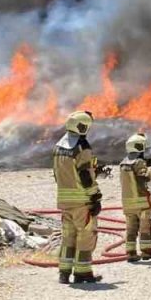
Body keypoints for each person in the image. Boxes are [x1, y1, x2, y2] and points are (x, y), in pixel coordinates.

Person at [52, 110, 104, 284]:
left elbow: (58, 173)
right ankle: (83, 272)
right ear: (83, 126)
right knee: (85, 234)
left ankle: (64, 272)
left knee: (68, 235)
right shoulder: (81, 147)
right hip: (81, 200)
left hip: (64, 199)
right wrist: (95, 197)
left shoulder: (59, 146)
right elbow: (84, 175)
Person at [119, 132, 151, 262]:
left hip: (128, 203)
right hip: (141, 202)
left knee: (131, 229)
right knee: (145, 228)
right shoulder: (138, 162)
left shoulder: (123, 163)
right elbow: (144, 177)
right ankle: (146, 252)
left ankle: (131, 253)